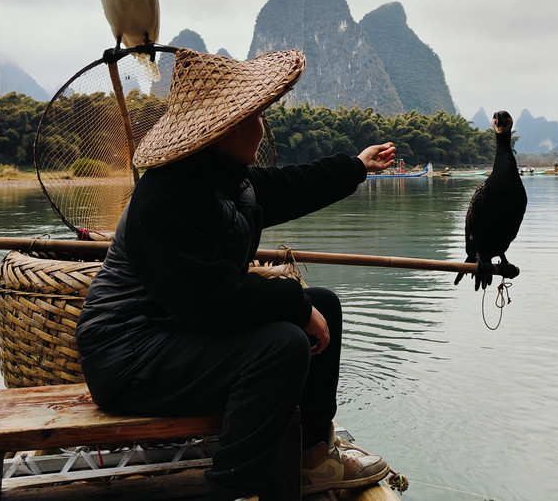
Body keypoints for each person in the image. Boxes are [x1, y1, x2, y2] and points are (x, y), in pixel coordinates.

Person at [76, 47, 397, 501]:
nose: (261, 126)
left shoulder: (229, 180)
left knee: (323, 302)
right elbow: (207, 299)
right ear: (222, 130)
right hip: (127, 356)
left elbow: (292, 186)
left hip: (174, 334)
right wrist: (292, 305)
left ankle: (311, 459)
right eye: (252, 117)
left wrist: (356, 167)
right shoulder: (163, 196)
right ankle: (233, 489)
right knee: (283, 344)